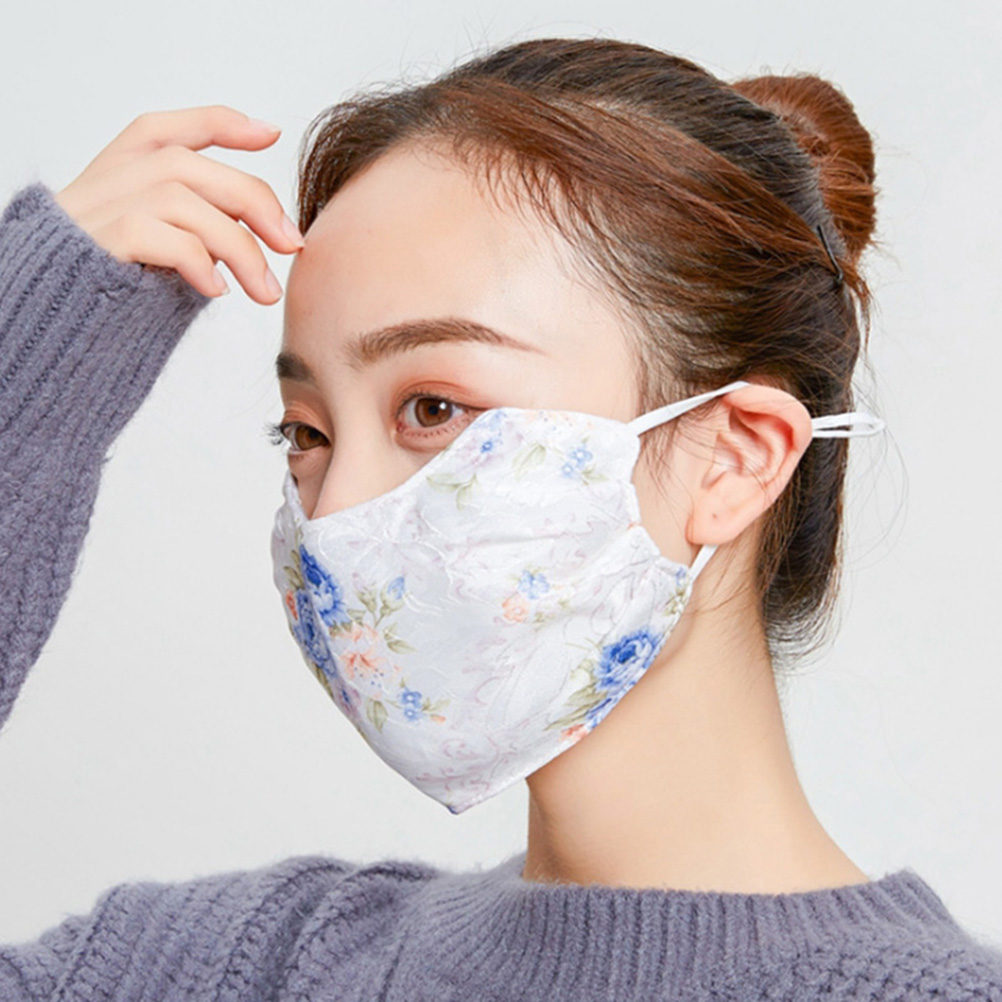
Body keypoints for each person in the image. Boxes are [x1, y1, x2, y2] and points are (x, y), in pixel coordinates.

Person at [1, 35, 1000, 1001]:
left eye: (433, 408)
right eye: (306, 433)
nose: (336, 511)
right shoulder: (250, 963)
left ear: (734, 457)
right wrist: (30, 365)